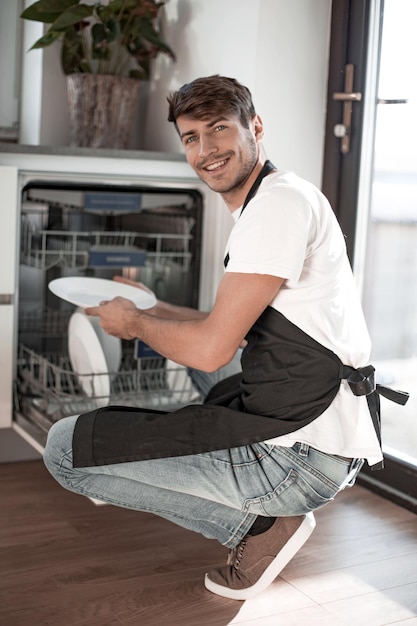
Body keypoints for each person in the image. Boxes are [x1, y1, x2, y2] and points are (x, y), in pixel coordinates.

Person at [43, 75, 407, 601]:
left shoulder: (275, 210)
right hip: (319, 422)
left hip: (303, 457)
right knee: (201, 364)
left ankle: (258, 527)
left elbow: (214, 347)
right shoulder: (278, 196)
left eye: (219, 129)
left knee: (63, 449)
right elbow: (233, 331)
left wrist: (137, 325)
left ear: (255, 128)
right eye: (191, 137)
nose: (206, 150)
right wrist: (152, 304)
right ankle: (261, 505)